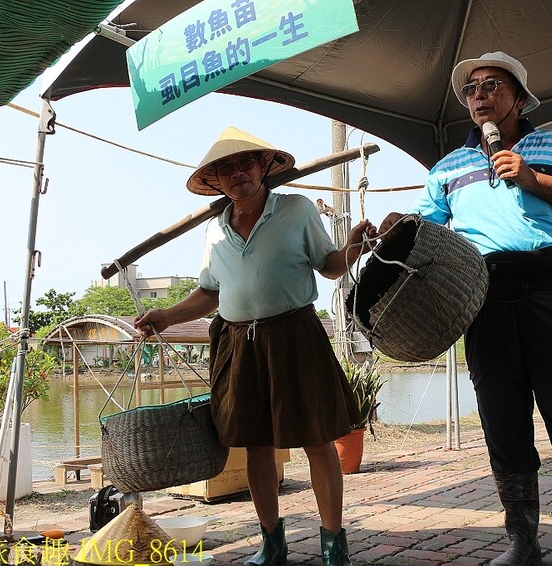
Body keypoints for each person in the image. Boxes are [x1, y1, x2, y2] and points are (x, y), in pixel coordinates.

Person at [380, 52, 552, 566]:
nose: (479, 95)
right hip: (483, 301)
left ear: (518, 96)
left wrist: (533, 179)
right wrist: (396, 225)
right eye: (470, 89)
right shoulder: (447, 167)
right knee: (502, 422)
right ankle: (523, 542)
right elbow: (427, 230)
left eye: (491, 85)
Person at [135, 127, 376, 566]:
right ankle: (272, 542)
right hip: (238, 344)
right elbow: (210, 292)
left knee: (317, 440)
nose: (237, 174)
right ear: (215, 182)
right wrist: (166, 315)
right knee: (256, 444)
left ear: (264, 167)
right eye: (225, 169)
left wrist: (354, 246)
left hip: (295, 337)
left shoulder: (298, 210)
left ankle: (333, 544)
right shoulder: (214, 231)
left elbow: (329, 266)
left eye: (246, 163)